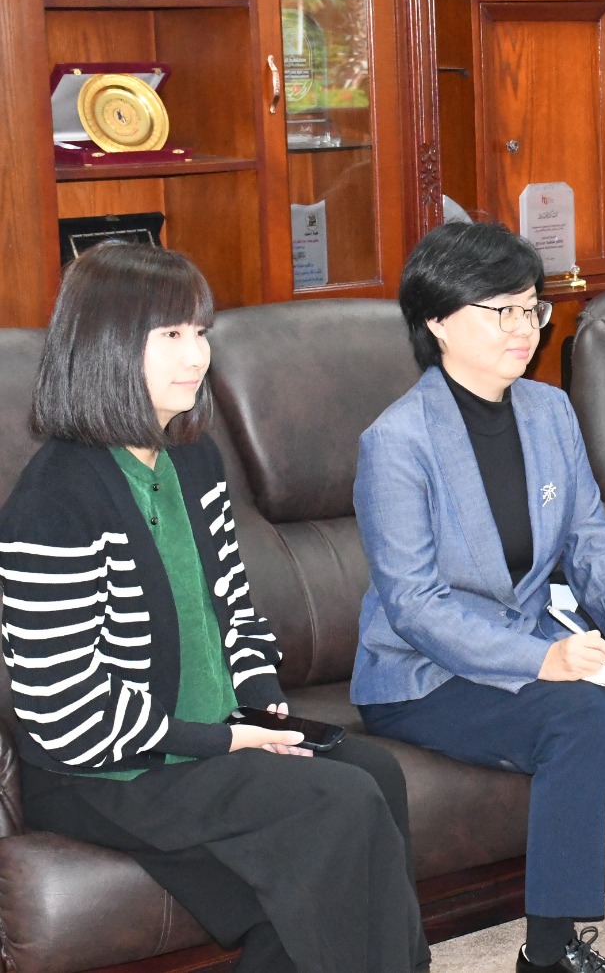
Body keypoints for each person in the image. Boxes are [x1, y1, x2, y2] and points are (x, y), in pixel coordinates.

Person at [0, 242, 428, 973]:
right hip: (105, 773)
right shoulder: (54, 501)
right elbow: (63, 712)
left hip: (208, 739)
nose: (197, 354)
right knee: (336, 805)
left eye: (200, 331)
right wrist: (225, 741)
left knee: (373, 775)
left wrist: (263, 701)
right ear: (106, 345)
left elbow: (232, 603)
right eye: (170, 334)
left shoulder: (192, 459)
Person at [350, 222, 605, 973]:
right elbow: (414, 605)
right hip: (422, 673)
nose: (524, 328)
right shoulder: (398, 441)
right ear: (438, 321)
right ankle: (547, 952)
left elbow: (589, 534)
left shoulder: (548, 411)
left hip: (532, 638)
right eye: (500, 310)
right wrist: (541, 659)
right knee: (581, 713)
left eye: (531, 308)